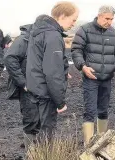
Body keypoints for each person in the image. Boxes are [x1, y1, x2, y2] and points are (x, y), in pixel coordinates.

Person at [26, 1, 79, 140]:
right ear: (62, 16)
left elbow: (40, 62)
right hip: (46, 93)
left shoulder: (39, 32)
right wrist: (60, 102)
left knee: (38, 131)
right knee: (46, 134)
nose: (74, 23)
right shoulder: (53, 36)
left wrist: (62, 69)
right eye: (73, 19)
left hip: (36, 89)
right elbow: (52, 74)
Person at [71, 5, 115, 146]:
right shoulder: (85, 29)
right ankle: (88, 146)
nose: (109, 22)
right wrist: (83, 66)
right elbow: (76, 50)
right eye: (107, 18)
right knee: (90, 111)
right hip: (91, 79)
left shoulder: (112, 32)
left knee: (103, 110)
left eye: (111, 19)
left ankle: (102, 142)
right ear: (99, 15)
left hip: (107, 78)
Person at [4, 24, 38, 149]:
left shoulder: (44, 39)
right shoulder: (23, 40)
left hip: (42, 85)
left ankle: (40, 151)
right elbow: (9, 58)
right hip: (28, 86)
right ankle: (31, 154)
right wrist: (22, 82)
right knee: (31, 118)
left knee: (41, 118)